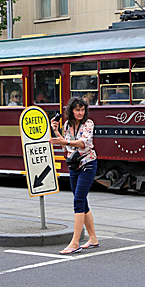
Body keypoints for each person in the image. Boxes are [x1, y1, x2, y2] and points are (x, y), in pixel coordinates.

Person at [50, 97, 99, 255]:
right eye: (77, 110)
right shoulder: (67, 125)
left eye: (82, 110)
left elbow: (84, 143)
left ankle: (75, 242)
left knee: (78, 200)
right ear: (71, 111)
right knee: (82, 202)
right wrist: (56, 131)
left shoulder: (88, 124)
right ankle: (93, 238)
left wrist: (64, 141)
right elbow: (66, 143)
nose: (80, 113)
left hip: (88, 164)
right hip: (74, 165)